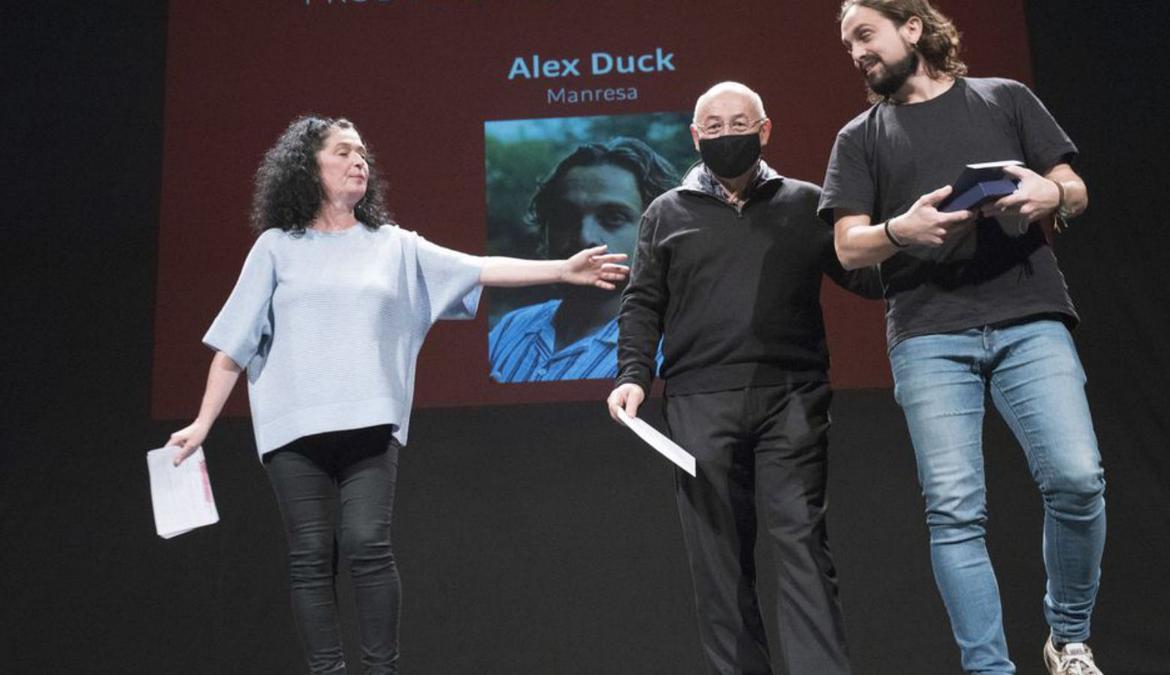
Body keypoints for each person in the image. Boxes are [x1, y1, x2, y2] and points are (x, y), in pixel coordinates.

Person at [165, 115, 628, 675]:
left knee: (366, 544)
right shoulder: (275, 249)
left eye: (362, 152)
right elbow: (232, 348)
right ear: (308, 168)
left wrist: (562, 269)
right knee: (311, 556)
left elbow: (479, 268)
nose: (359, 160)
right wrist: (201, 423)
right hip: (292, 431)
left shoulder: (393, 246)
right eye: (342, 152)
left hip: (370, 424)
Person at [821, 2, 1106, 674]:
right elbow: (846, 244)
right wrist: (901, 231)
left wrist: (1047, 191)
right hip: (927, 331)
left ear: (912, 28)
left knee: (1078, 477)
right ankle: (988, 668)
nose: (857, 52)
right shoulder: (858, 137)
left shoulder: (1004, 98)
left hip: (1027, 313)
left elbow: (1074, 186)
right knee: (954, 510)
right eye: (848, 44)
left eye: (866, 35)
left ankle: (1068, 639)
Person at [607, 82, 881, 675]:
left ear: (765, 130)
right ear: (695, 136)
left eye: (739, 123)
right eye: (713, 124)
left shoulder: (808, 203)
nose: (726, 133)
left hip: (793, 397)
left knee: (803, 547)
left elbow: (865, 276)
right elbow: (643, 302)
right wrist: (633, 374)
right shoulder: (665, 213)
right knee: (719, 560)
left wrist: (913, 237)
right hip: (699, 403)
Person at [488, 137, 675, 382]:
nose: (584, 237)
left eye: (613, 217)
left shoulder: (671, 351)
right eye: (565, 217)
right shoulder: (511, 327)